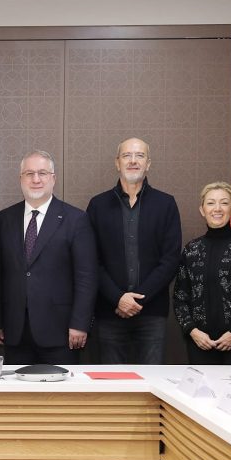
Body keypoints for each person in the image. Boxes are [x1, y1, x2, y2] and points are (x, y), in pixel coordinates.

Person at [0, 150, 98, 365]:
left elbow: (86, 277)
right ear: (20, 179)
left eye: (42, 173)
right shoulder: (3, 219)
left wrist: (80, 323)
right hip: (15, 331)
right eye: (29, 173)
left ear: (53, 178)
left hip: (61, 331)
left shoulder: (76, 219)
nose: (36, 179)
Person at [86, 138, 181, 364]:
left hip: (152, 314)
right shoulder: (97, 205)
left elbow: (170, 260)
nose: (133, 161)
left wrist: (137, 300)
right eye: (127, 155)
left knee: (151, 382)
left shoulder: (166, 204)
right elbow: (90, 260)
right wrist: (118, 298)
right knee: (111, 382)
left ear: (148, 163)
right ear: (117, 163)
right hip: (109, 312)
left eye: (140, 155)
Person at [174, 182, 231, 365]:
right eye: (211, 203)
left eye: (224, 203)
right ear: (202, 210)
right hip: (200, 343)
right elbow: (180, 297)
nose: (217, 208)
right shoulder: (192, 249)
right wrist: (192, 331)